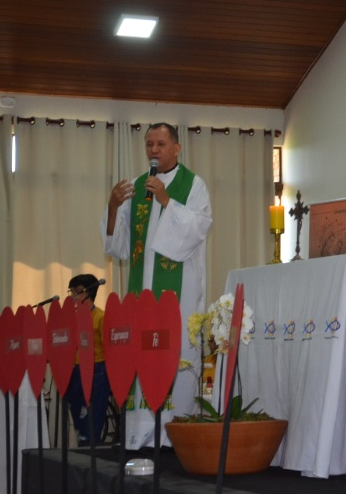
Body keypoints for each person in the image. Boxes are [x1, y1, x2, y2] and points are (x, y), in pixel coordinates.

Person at [101, 122, 212, 448]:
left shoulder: (194, 185)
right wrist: (111, 206)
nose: (153, 150)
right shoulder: (136, 187)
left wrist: (165, 201)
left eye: (160, 144)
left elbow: (198, 227)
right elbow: (117, 246)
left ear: (176, 148)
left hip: (179, 297)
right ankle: (141, 437)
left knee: (174, 357)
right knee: (143, 358)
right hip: (141, 297)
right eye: (149, 144)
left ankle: (175, 437)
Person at [64, 274, 110, 446]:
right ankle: (82, 454)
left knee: (92, 418)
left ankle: (92, 456)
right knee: (77, 419)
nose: (73, 296)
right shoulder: (71, 318)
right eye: (71, 292)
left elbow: (109, 349)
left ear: (89, 292)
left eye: (77, 292)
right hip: (74, 372)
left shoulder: (100, 317)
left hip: (96, 372)